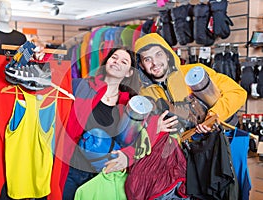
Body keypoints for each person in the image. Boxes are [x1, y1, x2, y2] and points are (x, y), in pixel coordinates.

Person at [123, 33, 247, 199]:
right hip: (179, 164)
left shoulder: (193, 73)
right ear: (141, 65)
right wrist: (155, 128)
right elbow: (136, 132)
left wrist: (213, 116)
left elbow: (237, 92)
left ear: (167, 54)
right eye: (147, 59)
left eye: (158, 54)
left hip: (211, 153)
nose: (154, 63)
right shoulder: (145, 94)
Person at [58, 46, 177, 200]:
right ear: (106, 62)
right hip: (73, 169)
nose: (117, 62)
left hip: (104, 172)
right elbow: (54, 83)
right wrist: (43, 58)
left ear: (129, 72)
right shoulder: (82, 86)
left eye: (124, 61)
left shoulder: (130, 104)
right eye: (114, 57)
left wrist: (156, 128)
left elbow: (140, 140)